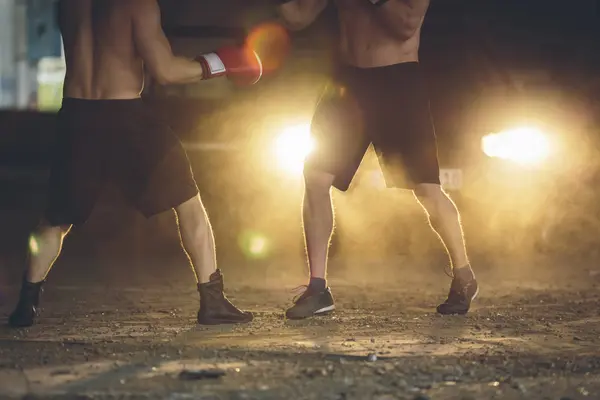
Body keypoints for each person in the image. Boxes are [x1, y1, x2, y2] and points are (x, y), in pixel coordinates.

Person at [8, 0, 263, 328]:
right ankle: (212, 301)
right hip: (125, 116)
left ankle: (25, 306)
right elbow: (166, 71)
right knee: (189, 203)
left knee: (55, 219)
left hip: (76, 117)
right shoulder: (136, 3)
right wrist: (221, 63)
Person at [277, 0, 479, 319]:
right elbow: (295, 16)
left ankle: (464, 275)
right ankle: (317, 288)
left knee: (426, 188)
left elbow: (405, 27)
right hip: (346, 83)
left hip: (397, 83)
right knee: (315, 176)